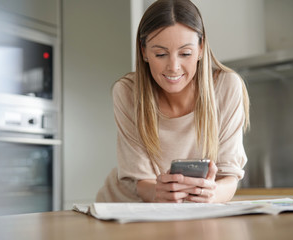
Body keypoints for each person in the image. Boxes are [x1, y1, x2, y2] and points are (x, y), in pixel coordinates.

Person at [96, 0, 250, 203]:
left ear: (201, 48)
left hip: (189, 212)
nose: (174, 67)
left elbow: (229, 177)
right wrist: (160, 193)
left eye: (185, 53)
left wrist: (211, 194)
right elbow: (142, 182)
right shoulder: (126, 92)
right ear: (144, 52)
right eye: (160, 54)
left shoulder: (226, 87)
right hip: (126, 207)